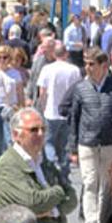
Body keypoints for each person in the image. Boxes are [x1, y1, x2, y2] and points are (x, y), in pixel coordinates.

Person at [63, 48, 112, 223]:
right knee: (90, 181)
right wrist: (73, 147)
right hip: (87, 142)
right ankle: (91, 221)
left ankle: (102, 221)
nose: (88, 68)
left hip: (110, 142)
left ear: (103, 66)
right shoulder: (81, 88)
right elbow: (74, 118)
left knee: (106, 183)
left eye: (92, 64)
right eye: (86, 64)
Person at [0, 108, 77, 223]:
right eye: (34, 130)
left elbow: (72, 198)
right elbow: (32, 202)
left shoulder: (45, 163)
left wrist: (53, 211)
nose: (41, 134)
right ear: (15, 135)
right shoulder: (7, 166)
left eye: (43, 129)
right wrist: (58, 192)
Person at [36, 42, 82, 181]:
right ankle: (64, 173)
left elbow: (42, 92)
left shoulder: (47, 69)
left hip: (51, 111)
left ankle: (51, 169)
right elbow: (78, 90)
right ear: (66, 54)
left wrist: (42, 107)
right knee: (65, 145)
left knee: (49, 142)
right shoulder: (74, 70)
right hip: (68, 112)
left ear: (54, 54)